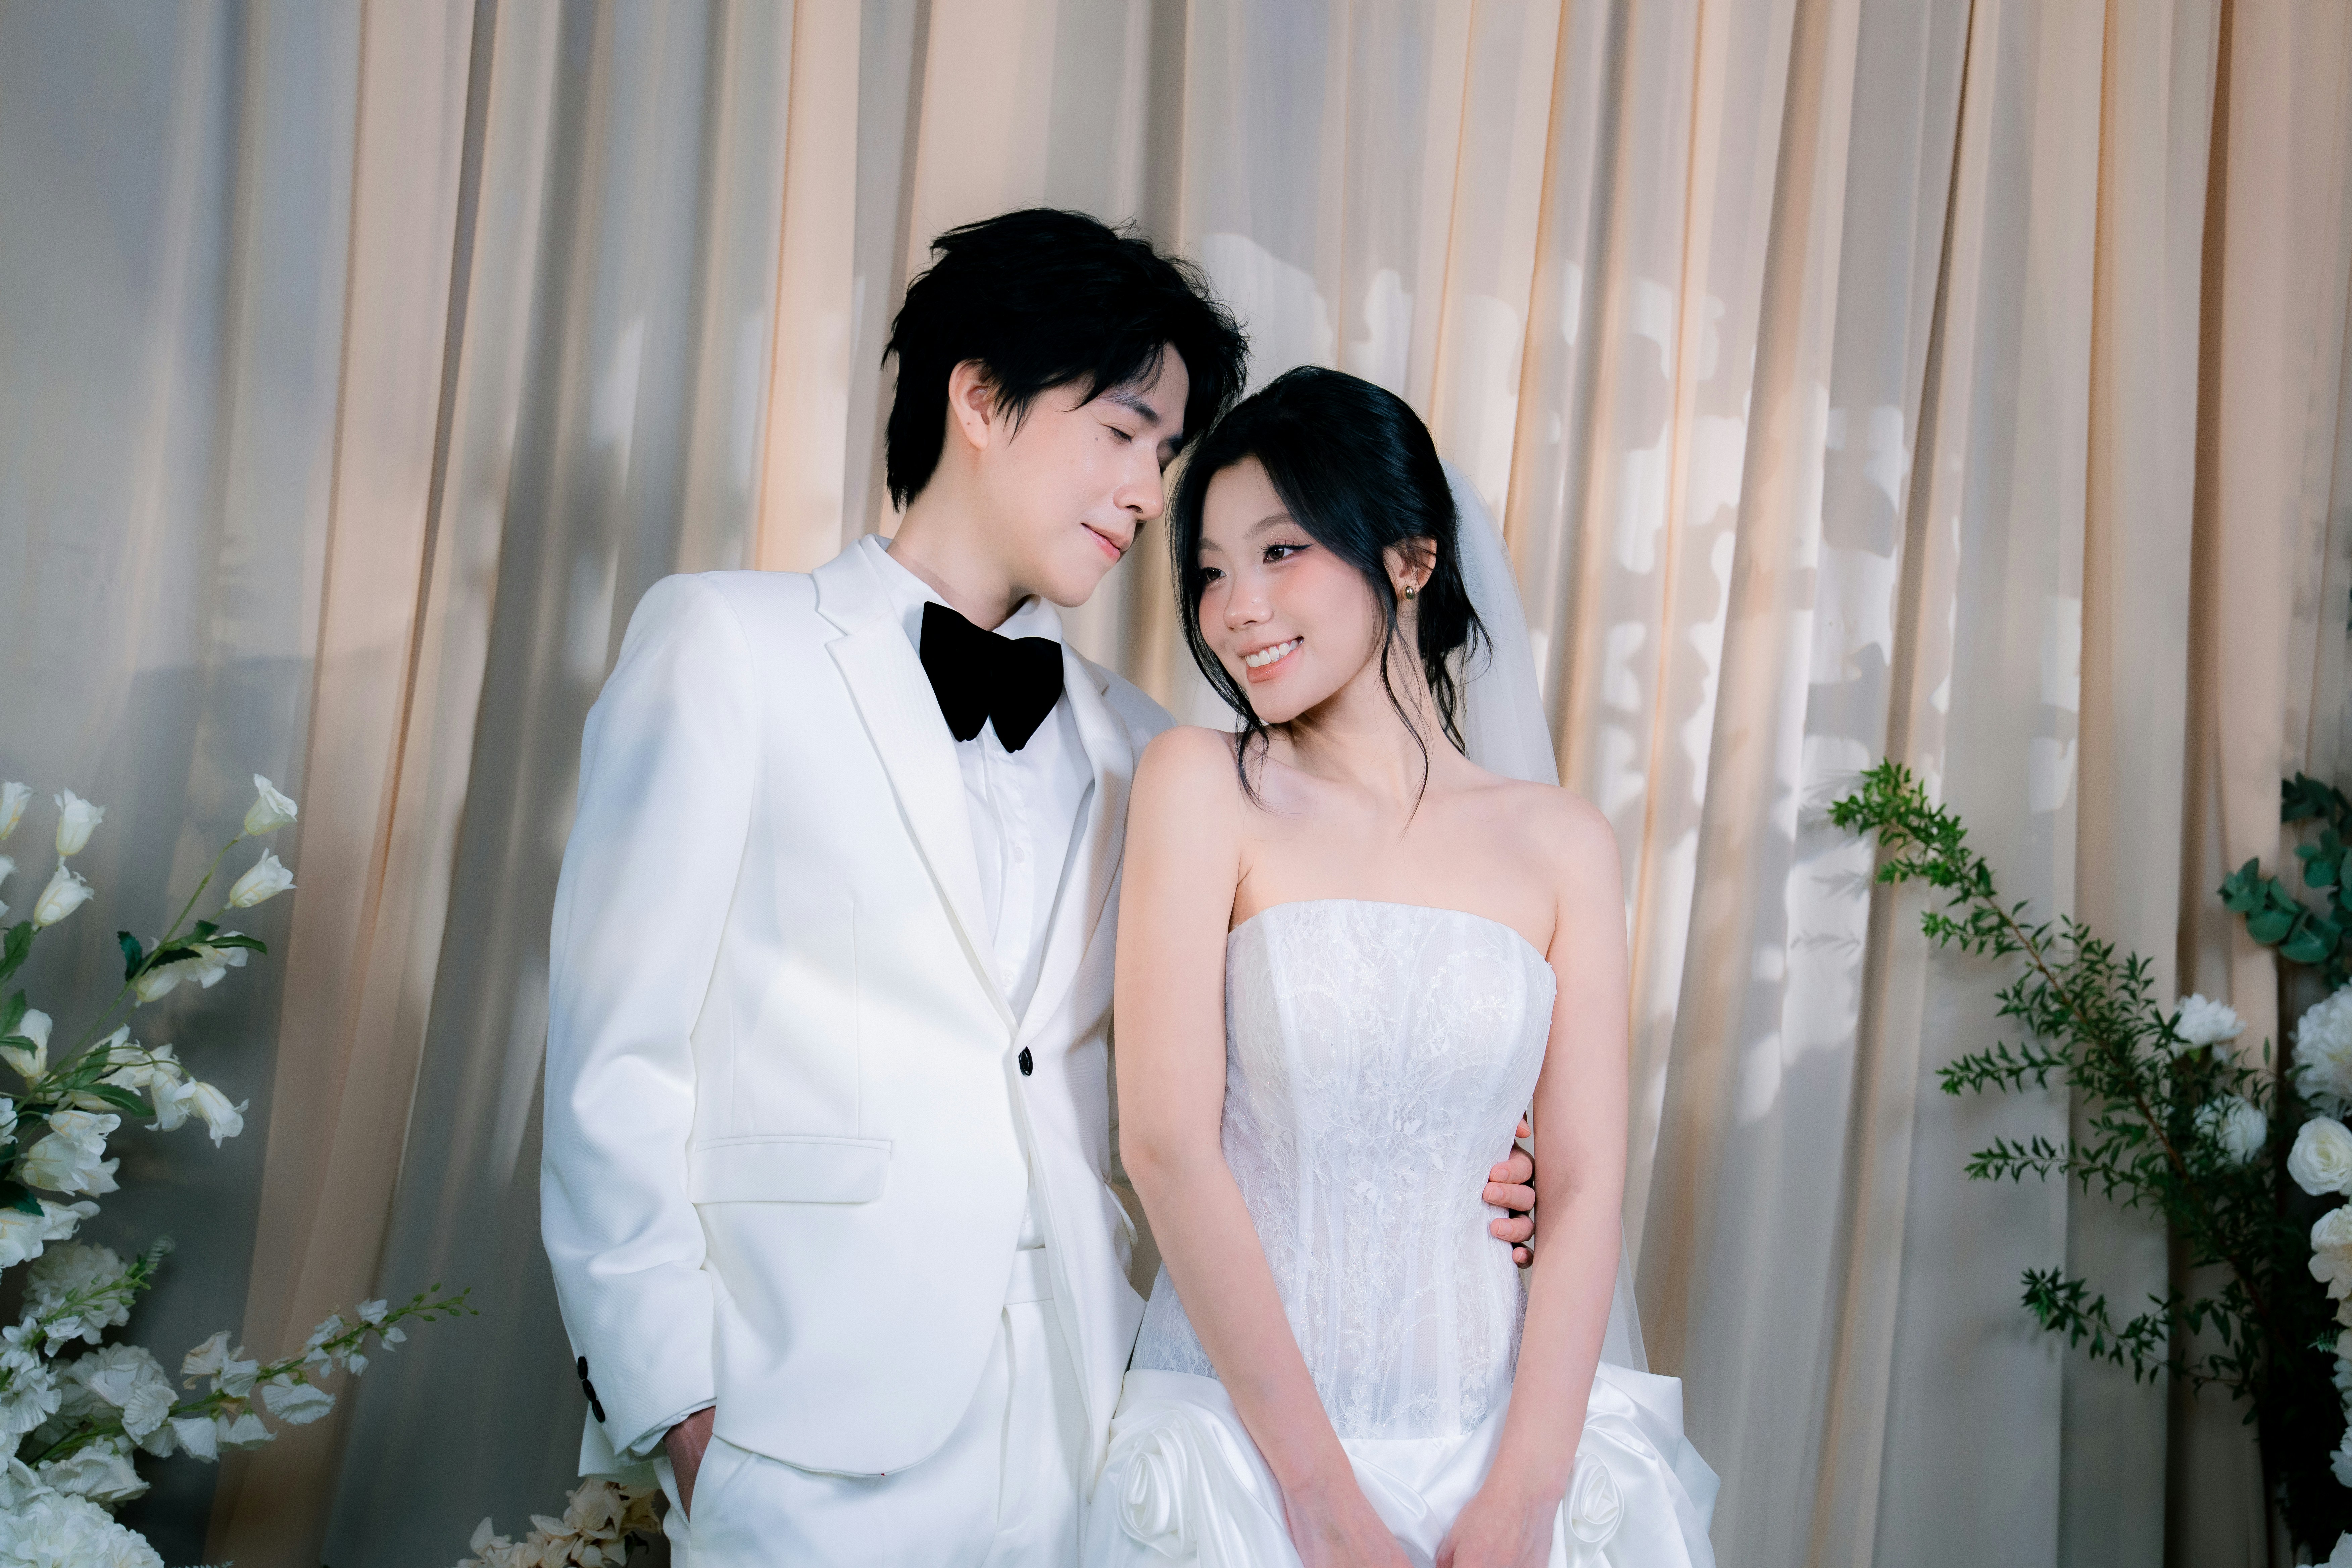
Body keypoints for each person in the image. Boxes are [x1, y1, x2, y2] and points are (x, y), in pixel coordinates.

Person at [539, 211, 1541, 1567]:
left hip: (1094, 1430)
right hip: (801, 1423)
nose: (1148, 491)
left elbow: (1275, 1050)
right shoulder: (730, 647)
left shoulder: (1154, 749)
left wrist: (1469, 1154)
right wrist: (683, 1413)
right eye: (1124, 432)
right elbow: (616, 1063)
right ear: (983, 398)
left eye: (1167, 455)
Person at [1086, 367, 1718, 1568]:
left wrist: (1527, 1497)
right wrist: (1321, 1505)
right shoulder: (1199, 784)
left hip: (1503, 1459)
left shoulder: (1562, 842)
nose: (1236, 607)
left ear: (1412, 559)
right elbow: (1164, 1144)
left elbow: (1583, 1184)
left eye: (1281, 553)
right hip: (1242, 1466)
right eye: (1211, 570)